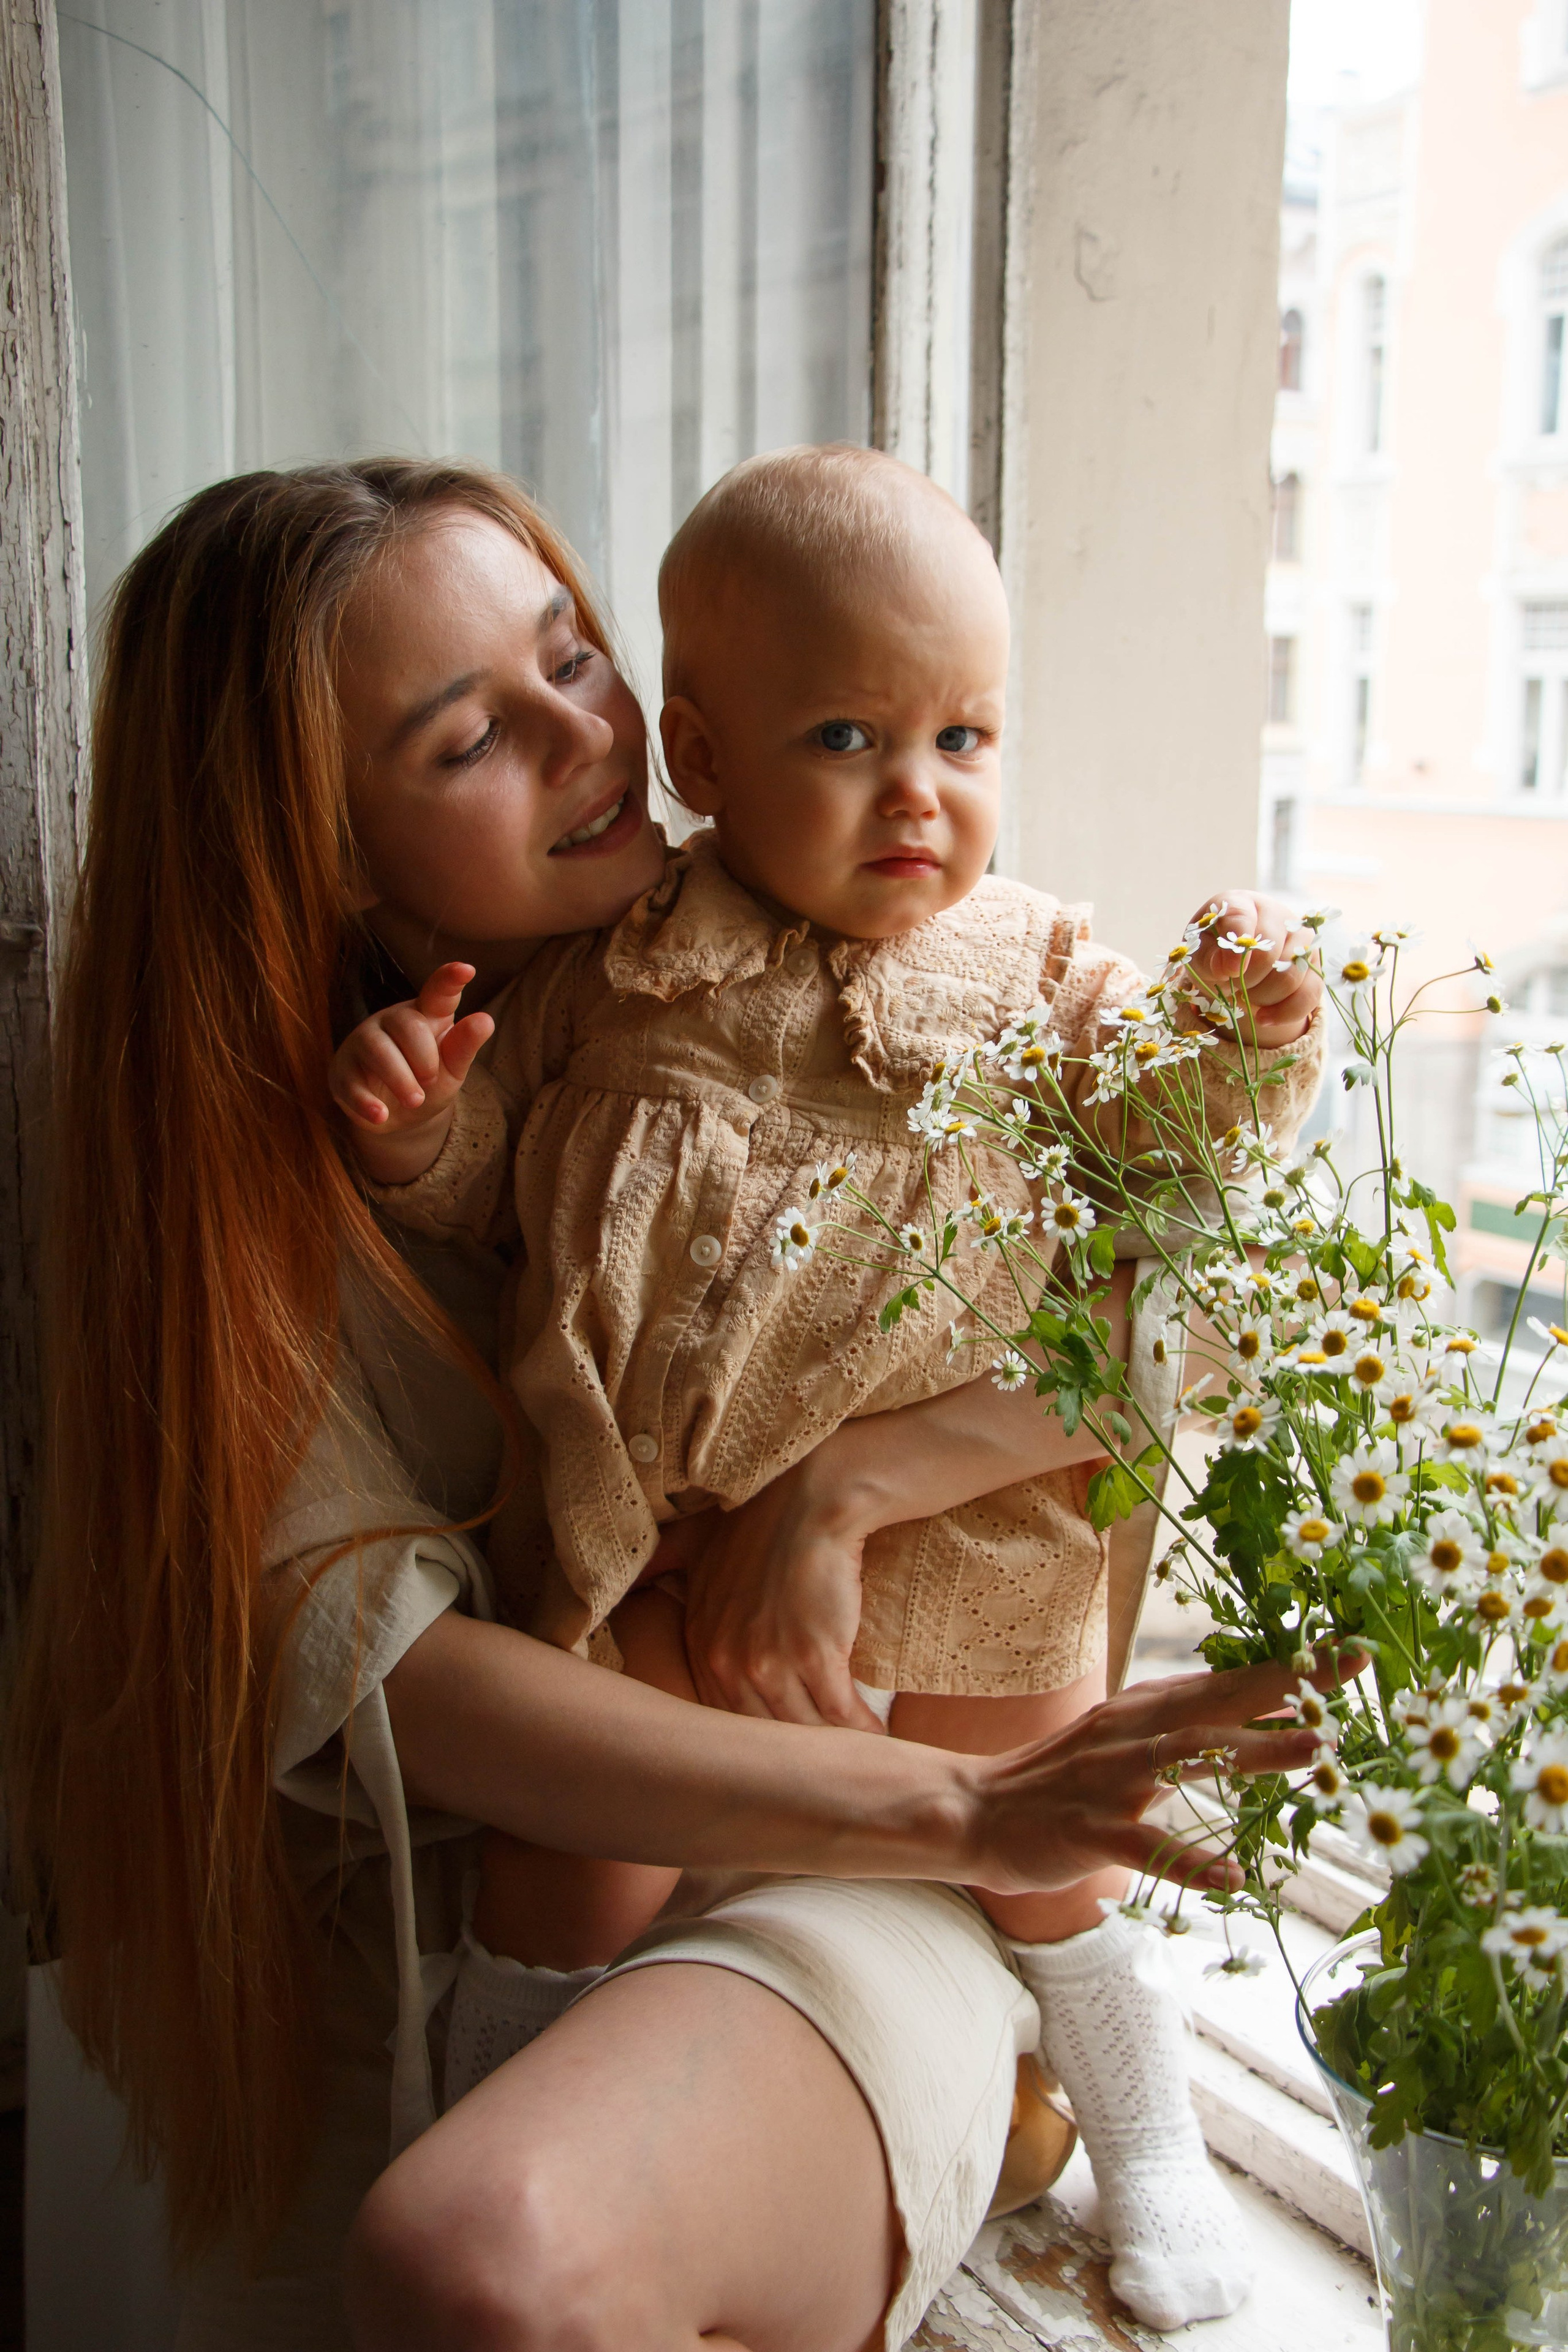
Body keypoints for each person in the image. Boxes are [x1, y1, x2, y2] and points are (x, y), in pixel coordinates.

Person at [7, 457, 1335, 2352]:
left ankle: (1107, 2110)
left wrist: (870, 1499)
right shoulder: (529, 1048)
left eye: (575, 655)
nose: (592, 735)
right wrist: (409, 1144)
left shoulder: (1005, 972)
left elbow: (1196, 1298)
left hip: (912, 1788)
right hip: (636, 1817)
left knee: (503, 2244)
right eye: (474, 736)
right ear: (324, 855)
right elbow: (417, 1623)